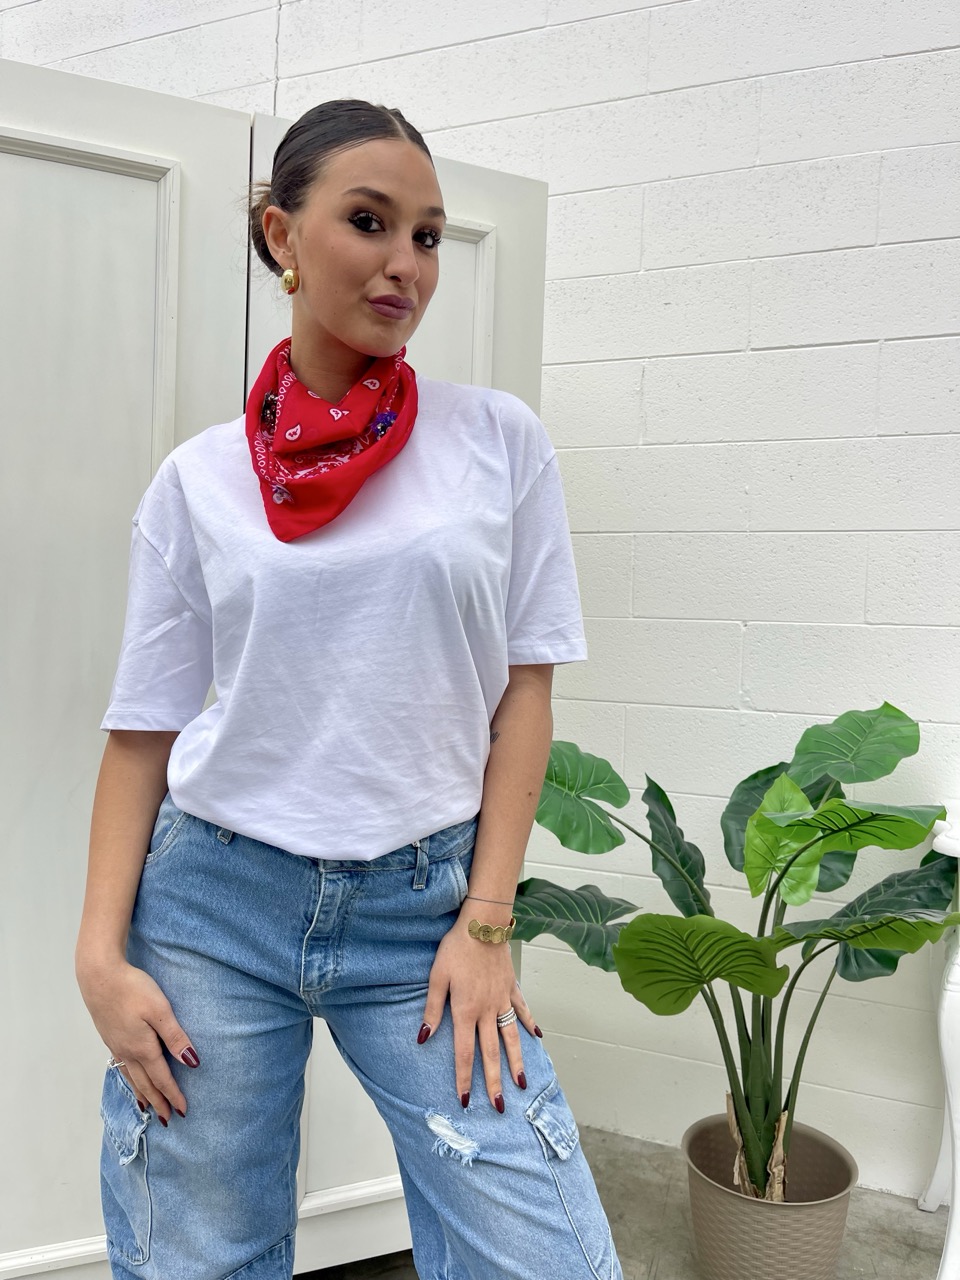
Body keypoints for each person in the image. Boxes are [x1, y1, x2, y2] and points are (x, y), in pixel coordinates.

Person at [76, 98, 623, 1280]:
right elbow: (143, 729)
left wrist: (488, 922)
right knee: (199, 1260)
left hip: (425, 910)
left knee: (543, 1257)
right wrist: (99, 955)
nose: (405, 262)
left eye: (426, 234)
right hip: (212, 906)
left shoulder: (498, 443)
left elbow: (524, 695)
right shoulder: (198, 482)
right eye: (369, 222)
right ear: (282, 234)